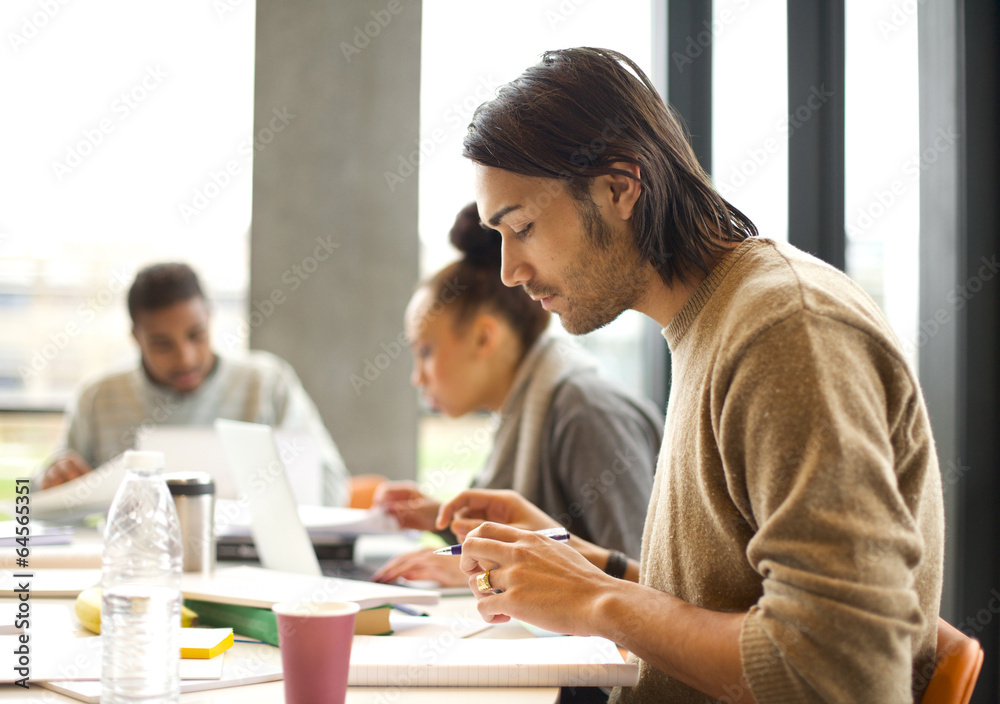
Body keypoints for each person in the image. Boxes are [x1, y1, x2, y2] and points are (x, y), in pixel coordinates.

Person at [439, 47, 945, 703]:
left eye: (524, 227)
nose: (509, 271)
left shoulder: (787, 330)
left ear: (620, 188)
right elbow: (738, 601)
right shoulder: (713, 322)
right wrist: (592, 567)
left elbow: (841, 670)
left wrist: (597, 602)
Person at [372, 203, 663, 587]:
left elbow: (644, 583)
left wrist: (486, 575)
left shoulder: (585, 410)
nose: (417, 377)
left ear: (483, 337)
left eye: (425, 351)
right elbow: (524, 534)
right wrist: (439, 519)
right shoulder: (522, 411)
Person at [36, 262, 351, 507]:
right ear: (136, 338)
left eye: (196, 335)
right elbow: (40, 499)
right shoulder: (97, 399)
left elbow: (332, 487)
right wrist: (52, 481)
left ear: (211, 317)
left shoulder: (267, 384)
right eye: (162, 344)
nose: (185, 358)